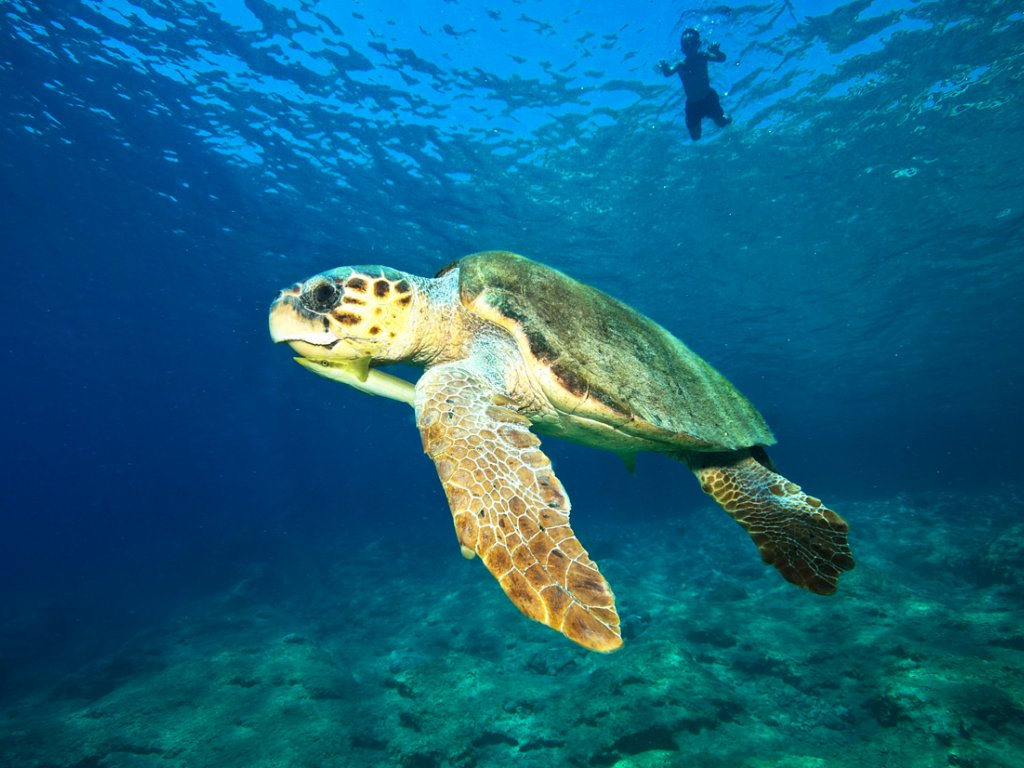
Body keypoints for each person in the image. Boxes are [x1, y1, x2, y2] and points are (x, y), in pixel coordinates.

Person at [659, 28, 732, 140]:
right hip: (692, 105)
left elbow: (722, 58)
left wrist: (716, 51)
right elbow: (668, 73)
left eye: (694, 43)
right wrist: (664, 67)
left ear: (698, 44)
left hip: (708, 98)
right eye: (687, 46)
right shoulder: (681, 64)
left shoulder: (703, 56)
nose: (691, 48)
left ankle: (729, 118)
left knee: (721, 122)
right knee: (695, 137)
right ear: (683, 49)